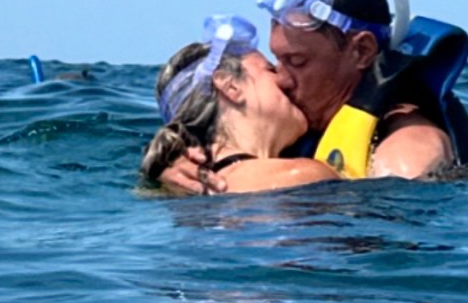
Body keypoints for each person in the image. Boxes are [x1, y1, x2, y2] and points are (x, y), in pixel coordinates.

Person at [154, 0, 465, 194]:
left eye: (298, 61)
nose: (283, 79)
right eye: (276, 60)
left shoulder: (406, 148)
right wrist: (171, 167)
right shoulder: (283, 148)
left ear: (362, 51)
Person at [140, 17, 343, 194]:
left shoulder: (182, 191)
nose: (285, 79)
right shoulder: (302, 176)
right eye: (270, 70)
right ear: (231, 87)